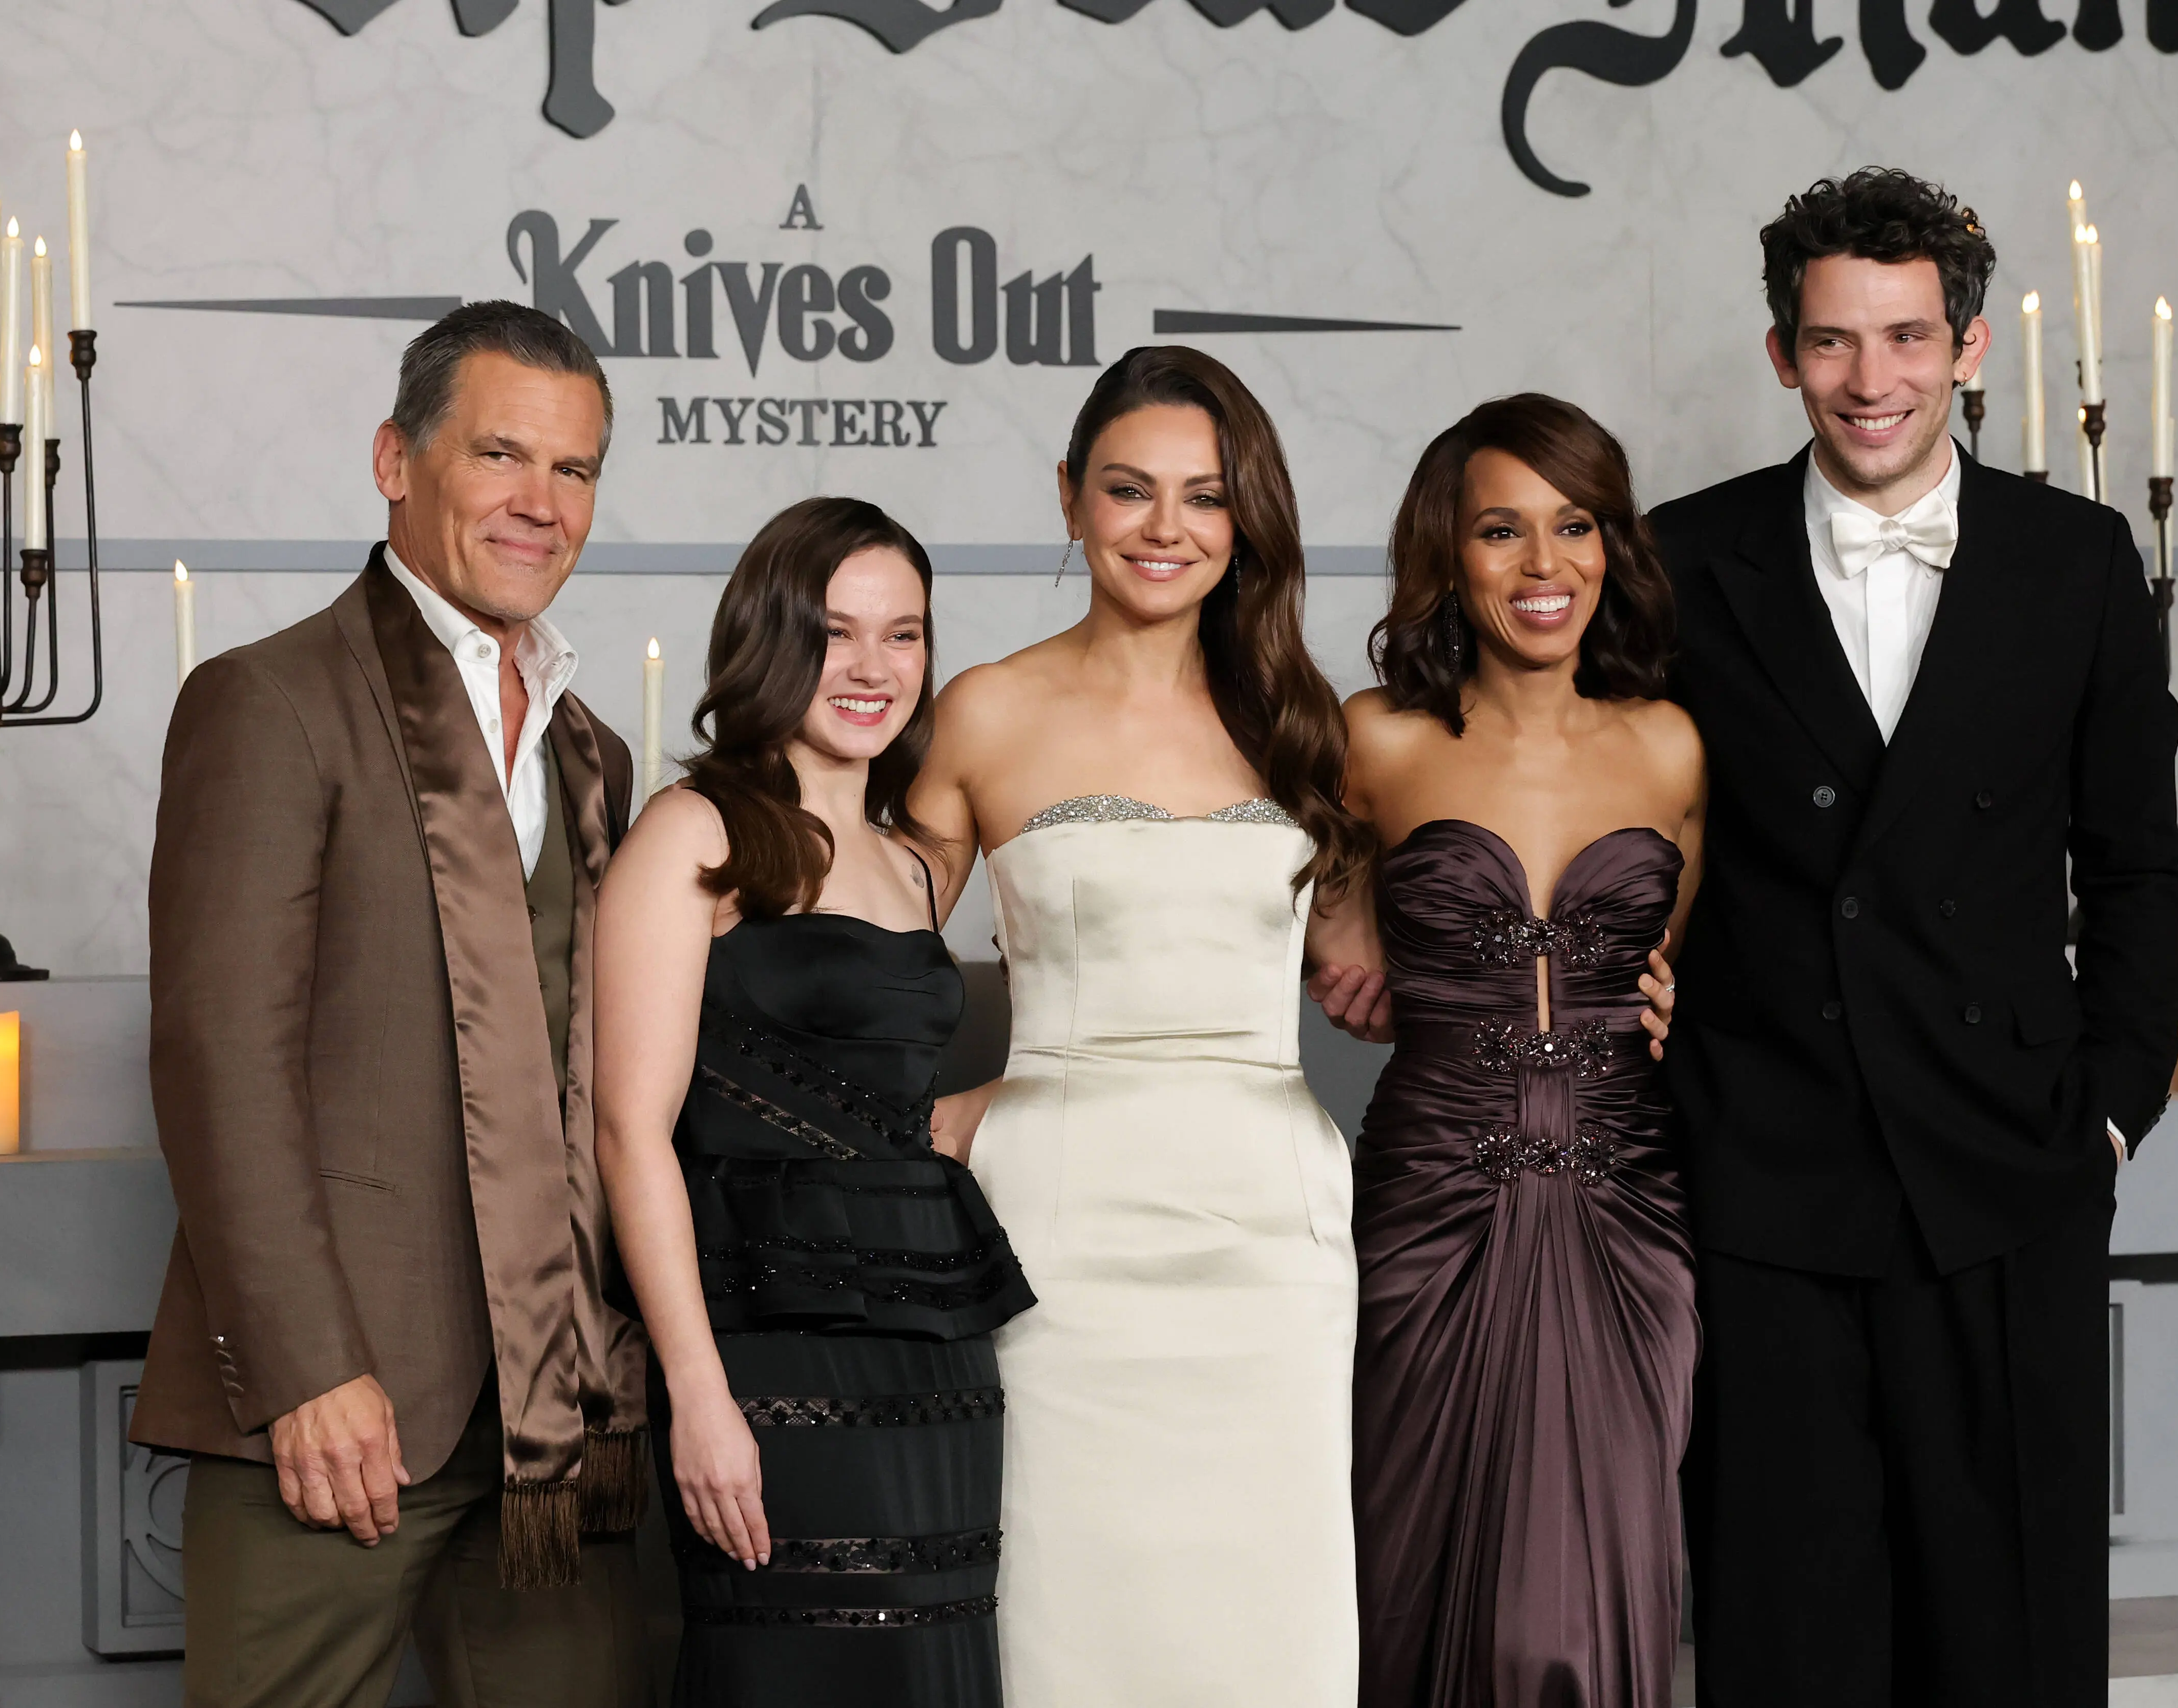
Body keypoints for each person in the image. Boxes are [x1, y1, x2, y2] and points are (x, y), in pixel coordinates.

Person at [1649, 169, 2178, 1705]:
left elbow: (2138, 868)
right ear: (1781, 355)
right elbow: (1626, 817)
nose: (1868, 379)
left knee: (2009, 1627)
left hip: (2010, 1158)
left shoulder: (2076, 561)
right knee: (1784, 1620)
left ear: (1971, 343)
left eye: (1902, 336)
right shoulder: (1684, 557)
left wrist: (2112, 1106)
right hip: (1767, 1164)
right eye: (1831, 342)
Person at [136, 300, 650, 1706]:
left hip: (560, 1411)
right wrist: (307, 1368)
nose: (540, 504)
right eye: (502, 455)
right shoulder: (271, 699)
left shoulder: (594, 751)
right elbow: (215, 1054)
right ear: (395, 460)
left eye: (577, 470)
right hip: (342, 1403)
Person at [909, 345, 1375, 1705]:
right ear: (1070, 498)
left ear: (1247, 521)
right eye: (1129, 490)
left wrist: (1603, 974)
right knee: (1067, 1611)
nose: (1166, 527)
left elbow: (1382, 973)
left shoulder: (1302, 722)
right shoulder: (987, 706)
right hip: (1061, 1231)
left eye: (1205, 496)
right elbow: (874, 956)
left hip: (1267, 1237)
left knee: (1268, 1617)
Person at [594, 497, 1036, 1707]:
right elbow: (629, 1134)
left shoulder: (911, 863)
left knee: (929, 1662)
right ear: (769, 638)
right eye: (837, 631)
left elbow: (896, 1101)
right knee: (788, 1663)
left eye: (904, 634)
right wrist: (697, 1394)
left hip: (934, 1356)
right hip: (764, 1352)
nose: (873, 667)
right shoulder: (695, 833)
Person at [1306, 393, 1701, 1708]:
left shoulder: (1669, 745)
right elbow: (1303, 928)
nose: (1544, 566)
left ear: (1612, 544)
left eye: (1574, 524)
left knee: (1596, 1596)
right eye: (1501, 530)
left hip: (1629, 1212)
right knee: (1408, 1576)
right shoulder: (1373, 739)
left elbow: (1683, 977)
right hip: (1431, 1202)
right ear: (1446, 553)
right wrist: (1342, 932)